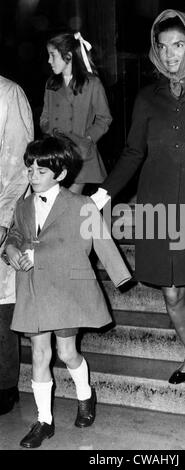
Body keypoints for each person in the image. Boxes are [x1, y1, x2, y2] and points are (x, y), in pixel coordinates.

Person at [91, 10, 185, 429]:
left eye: (178, 45)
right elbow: (133, 153)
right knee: (172, 294)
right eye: (163, 47)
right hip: (160, 208)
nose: (171, 54)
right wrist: (104, 192)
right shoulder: (147, 98)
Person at [4, 135, 131, 448]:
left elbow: (92, 243)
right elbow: (16, 236)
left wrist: (120, 276)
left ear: (60, 174)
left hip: (64, 289)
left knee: (66, 352)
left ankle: (85, 395)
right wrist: (9, 251)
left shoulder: (80, 204)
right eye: (30, 168)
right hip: (33, 287)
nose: (33, 174)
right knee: (39, 354)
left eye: (41, 170)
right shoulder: (22, 205)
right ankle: (44, 421)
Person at [40, 31, 112, 194]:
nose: (49, 61)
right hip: (56, 154)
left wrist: (87, 138)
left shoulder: (92, 83)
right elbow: (45, 116)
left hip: (81, 155)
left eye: (53, 55)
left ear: (68, 56)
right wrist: (49, 131)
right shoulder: (51, 83)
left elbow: (104, 118)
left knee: (68, 200)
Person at [0, 75, 34, 416]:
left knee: (1, 306)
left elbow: (20, 168)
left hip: (0, 214)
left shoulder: (9, 94)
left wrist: (4, 219)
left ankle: (5, 383)